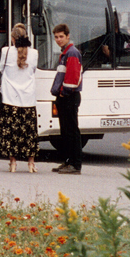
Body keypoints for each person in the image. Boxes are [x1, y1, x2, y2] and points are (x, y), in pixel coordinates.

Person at [0, 24, 39, 173]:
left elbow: (1, 69)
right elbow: (32, 70)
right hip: (28, 99)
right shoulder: (34, 53)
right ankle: (31, 164)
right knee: (29, 132)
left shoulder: (5, 51)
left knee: (11, 132)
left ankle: (13, 163)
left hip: (10, 98)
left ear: (12, 38)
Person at [50, 23, 83, 175]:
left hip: (69, 96)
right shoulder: (65, 53)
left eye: (61, 37)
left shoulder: (72, 53)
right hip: (65, 96)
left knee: (71, 131)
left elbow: (72, 77)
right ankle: (68, 161)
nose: (58, 40)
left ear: (68, 36)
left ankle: (75, 164)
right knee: (65, 130)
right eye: (56, 37)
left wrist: (64, 92)